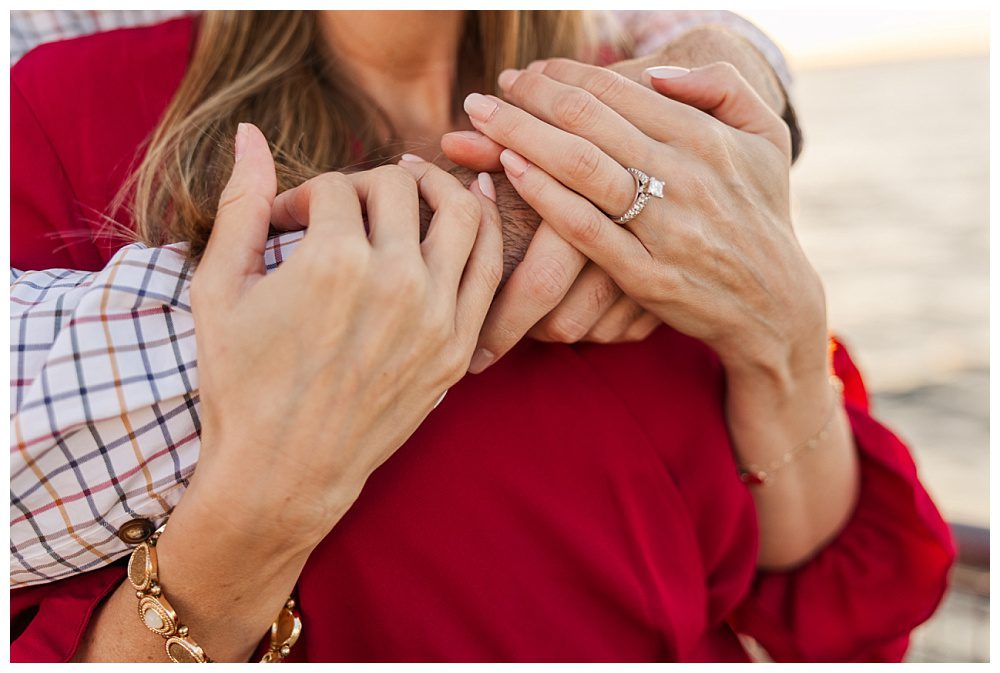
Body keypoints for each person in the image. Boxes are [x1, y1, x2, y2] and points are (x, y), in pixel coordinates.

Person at [10, 10, 952, 663]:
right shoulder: (65, 110)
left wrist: (782, 335)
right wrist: (267, 505)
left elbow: (837, 621)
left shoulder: (657, 106)